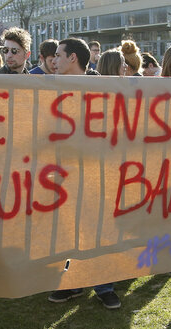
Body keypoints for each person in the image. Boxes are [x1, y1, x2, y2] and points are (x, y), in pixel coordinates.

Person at [48, 38, 119, 309]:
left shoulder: (101, 89)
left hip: (96, 174)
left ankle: (104, 286)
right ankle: (73, 282)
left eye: (58, 55)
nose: (53, 60)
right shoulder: (49, 88)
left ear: (73, 58)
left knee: (98, 229)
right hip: (63, 173)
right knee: (68, 230)